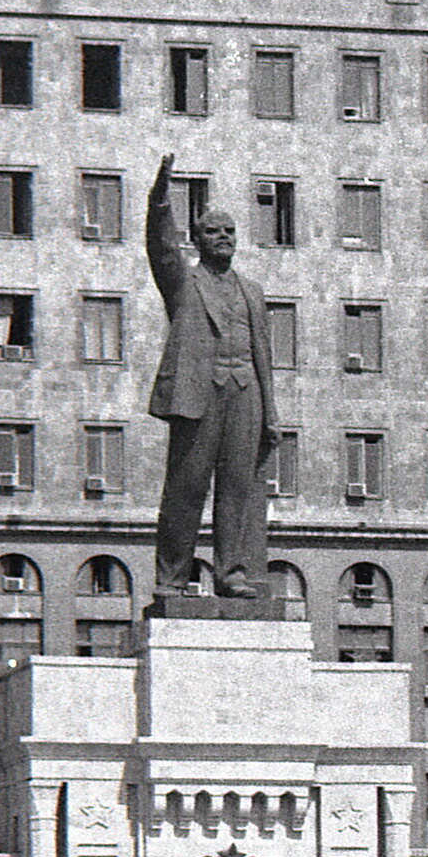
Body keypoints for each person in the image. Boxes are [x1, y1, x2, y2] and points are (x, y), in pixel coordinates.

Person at [140, 155, 278, 610]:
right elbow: (161, 247)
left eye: (230, 231)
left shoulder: (252, 291)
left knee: (238, 489)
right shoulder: (183, 281)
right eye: (213, 230)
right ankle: (173, 579)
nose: (224, 237)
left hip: (246, 395)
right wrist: (160, 199)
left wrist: (270, 415)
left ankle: (231, 573)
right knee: (187, 487)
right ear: (196, 240)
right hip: (198, 396)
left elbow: (263, 354)